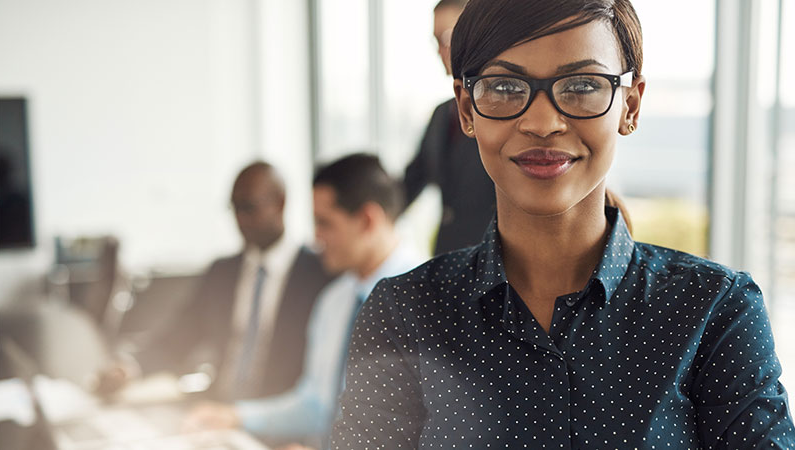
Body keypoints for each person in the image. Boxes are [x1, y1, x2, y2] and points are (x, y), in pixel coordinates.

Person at [331, 1, 795, 448]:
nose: (542, 122)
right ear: (467, 108)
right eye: (505, 87)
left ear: (630, 106)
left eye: (581, 85)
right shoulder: (404, 313)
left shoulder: (715, 312)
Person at [184, 154, 422, 447]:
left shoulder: (432, 302)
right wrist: (237, 416)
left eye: (325, 223)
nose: (316, 237)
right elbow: (316, 406)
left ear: (366, 220)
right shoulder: (334, 301)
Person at [97, 161, 334, 401]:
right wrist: (129, 368)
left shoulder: (318, 274)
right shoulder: (222, 273)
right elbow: (178, 336)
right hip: (217, 411)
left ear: (280, 202)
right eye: (235, 208)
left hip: (281, 421)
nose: (241, 219)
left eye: (249, 207)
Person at [402, 0, 496, 255]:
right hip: (448, 256)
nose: (440, 50)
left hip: (493, 259)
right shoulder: (441, 114)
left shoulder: (503, 111)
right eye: (436, 41)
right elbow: (412, 180)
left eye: (447, 37)